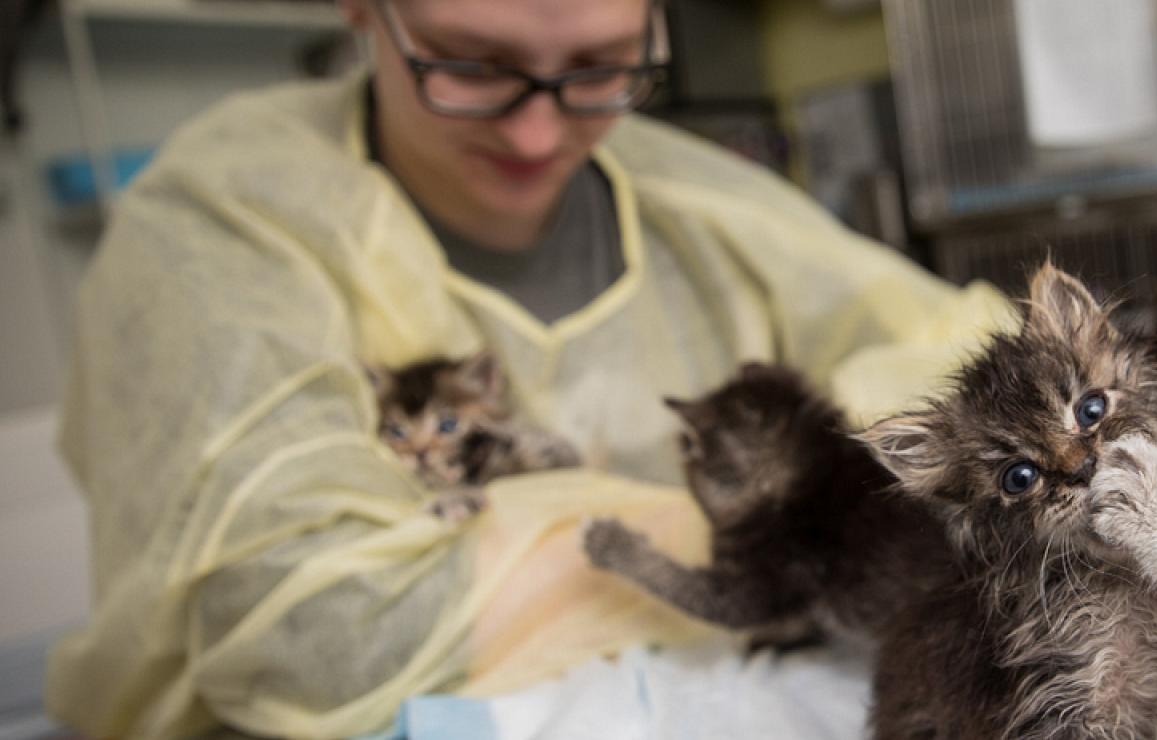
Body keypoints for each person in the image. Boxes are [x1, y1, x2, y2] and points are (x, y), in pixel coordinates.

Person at [45, 0, 1007, 736]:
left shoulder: (715, 211)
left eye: (600, 69)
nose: (538, 134)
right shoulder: (221, 227)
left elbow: (971, 387)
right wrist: (799, 533)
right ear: (359, 13)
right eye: (470, 64)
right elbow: (314, 637)